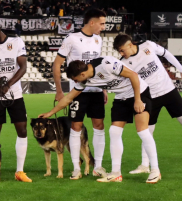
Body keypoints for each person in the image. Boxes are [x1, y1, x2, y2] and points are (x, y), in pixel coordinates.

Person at [39, 56, 161, 184]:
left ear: (82, 74)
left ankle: (155, 170)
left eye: (75, 79)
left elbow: (133, 75)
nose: (75, 82)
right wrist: (50, 113)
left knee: (142, 131)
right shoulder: (84, 81)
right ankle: (116, 173)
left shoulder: (106, 64)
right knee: (114, 131)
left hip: (139, 93)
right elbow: (69, 98)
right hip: (121, 97)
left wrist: (138, 100)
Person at [114, 34, 182, 174]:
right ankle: (145, 165)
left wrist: (180, 69)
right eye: (119, 52)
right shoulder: (123, 63)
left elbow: (167, 54)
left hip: (169, 90)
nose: (121, 54)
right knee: (146, 131)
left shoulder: (148, 45)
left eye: (122, 50)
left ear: (130, 45)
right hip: (150, 97)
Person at [53, 8, 107, 179]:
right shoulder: (72, 39)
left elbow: (100, 66)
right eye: (102, 23)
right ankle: (76, 167)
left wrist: (104, 88)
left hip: (96, 90)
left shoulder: (98, 39)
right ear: (92, 22)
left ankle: (98, 166)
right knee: (76, 127)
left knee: (99, 126)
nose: (103, 27)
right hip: (78, 92)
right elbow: (56, 65)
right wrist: (59, 90)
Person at [0, 17, 32, 183]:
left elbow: (22, 67)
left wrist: (8, 85)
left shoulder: (16, 42)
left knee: (22, 130)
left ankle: (20, 171)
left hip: (15, 94)